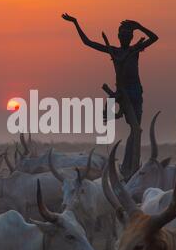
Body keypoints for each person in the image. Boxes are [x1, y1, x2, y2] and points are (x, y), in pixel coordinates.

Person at [62, 14, 159, 175]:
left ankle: (130, 166)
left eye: (127, 36)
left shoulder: (135, 50)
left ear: (131, 37)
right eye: (122, 35)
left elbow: (155, 37)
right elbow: (88, 42)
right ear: (118, 37)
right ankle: (115, 116)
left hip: (135, 91)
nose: (124, 38)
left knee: (135, 130)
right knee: (113, 110)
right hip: (122, 91)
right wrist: (75, 23)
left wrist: (139, 25)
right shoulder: (114, 51)